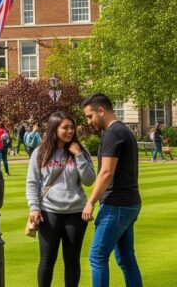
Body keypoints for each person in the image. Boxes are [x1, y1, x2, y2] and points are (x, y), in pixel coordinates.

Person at [26, 111, 96, 287]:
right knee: (47, 260)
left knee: (72, 260)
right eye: (65, 127)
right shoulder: (40, 152)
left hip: (76, 213)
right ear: (54, 128)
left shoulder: (81, 151)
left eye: (72, 127)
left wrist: (78, 155)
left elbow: (89, 180)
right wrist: (34, 207)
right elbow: (32, 182)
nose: (70, 131)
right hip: (49, 212)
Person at [82, 93, 142, 287]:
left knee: (97, 256)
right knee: (126, 259)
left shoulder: (112, 133)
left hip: (116, 204)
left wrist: (90, 202)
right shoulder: (125, 131)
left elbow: (106, 172)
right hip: (130, 203)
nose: (89, 121)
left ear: (101, 110)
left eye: (90, 116)